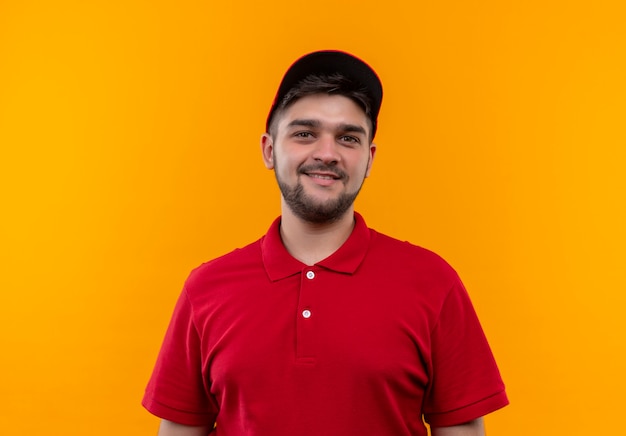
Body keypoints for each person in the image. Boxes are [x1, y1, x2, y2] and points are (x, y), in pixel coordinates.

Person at [142, 50, 508, 436]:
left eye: (348, 138)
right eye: (305, 133)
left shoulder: (434, 282)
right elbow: (181, 429)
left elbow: (462, 428)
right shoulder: (206, 288)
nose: (327, 153)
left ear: (368, 160)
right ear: (269, 150)